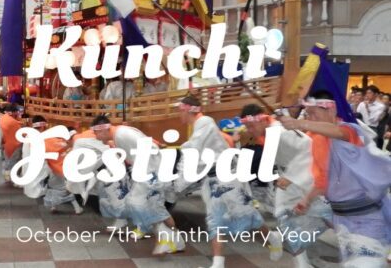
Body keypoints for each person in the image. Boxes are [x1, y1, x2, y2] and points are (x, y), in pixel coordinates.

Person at [279, 90, 391, 266]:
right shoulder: (316, 141)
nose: (311, 119)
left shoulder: (351, 129)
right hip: (342, 218)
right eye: (308, 114)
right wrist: (306, 200)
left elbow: (339, 132)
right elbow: (323, 180)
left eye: (314, 114)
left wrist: (298, 123)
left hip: (367, 215)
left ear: (330, 110)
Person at [175, 96, 283, 268]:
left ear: (188, 110)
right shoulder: (200, 127)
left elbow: (193, 150)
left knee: (246, 214)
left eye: (180, 110)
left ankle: (272, 238)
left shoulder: (206, 122)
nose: (178, 114)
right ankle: (218, 264)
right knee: (214, 219)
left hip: (227, 177)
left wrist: (179, 182)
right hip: (212, 180)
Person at [240, 103, 333, 268]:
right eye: (247, 127)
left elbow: (310, 149)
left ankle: (363, 244)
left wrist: (291, 176)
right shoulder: (270, 132)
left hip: (309, 180)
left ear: (262, 120)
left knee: (329, 216)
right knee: (287, 220)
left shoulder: (281, 132)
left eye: (251, 126)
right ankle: (303, 263)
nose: (250, 130)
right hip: (292, 183)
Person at [92, 115, 186, 255]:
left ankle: (167, 238)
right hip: (149, 173)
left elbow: (150, 148)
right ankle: (176, 241)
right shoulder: (120, 134)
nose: (97, 137)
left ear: (103, 129)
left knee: (139, 204)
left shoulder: (122, 134)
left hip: (150, 174)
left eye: (96, 133)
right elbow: (150, 143)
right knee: (154, 208)